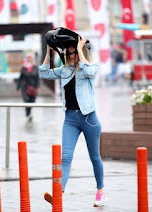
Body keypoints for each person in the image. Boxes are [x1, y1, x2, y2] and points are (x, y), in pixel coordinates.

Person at [39, 36, 107, 207]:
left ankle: (100, 192)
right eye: (68, 53)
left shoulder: (90, 68)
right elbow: (44, 73)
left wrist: (80, 49)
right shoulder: (64, 70)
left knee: (95, 157)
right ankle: (58, 193)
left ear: (79, 52)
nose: (70, 56)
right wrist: (49, 53)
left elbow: (90, 72)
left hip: (89, 119)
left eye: (73, 53)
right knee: (66, 156)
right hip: (70, 119)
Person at [16, 53, 40, 122]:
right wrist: (18, 87)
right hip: (25, 87)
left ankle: (29, 112)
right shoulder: (23, 68)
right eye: (28, 58)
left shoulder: (35, 67)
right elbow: (20, 78)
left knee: (32, 101)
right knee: (26, 100)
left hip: (33, 87)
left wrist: (38, 87)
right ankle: (28, 114)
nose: (29, 59)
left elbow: (37, 78)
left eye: (30, 58)